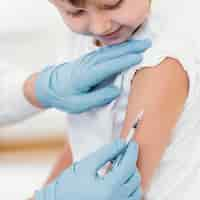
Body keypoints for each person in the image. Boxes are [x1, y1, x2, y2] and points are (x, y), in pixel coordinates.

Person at [25, 0, 200, 199]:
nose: (100, 27)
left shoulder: (162, 61)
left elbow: (129, 185)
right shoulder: (82, 38)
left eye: (112, 4)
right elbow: (82, 137)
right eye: (75, 13)